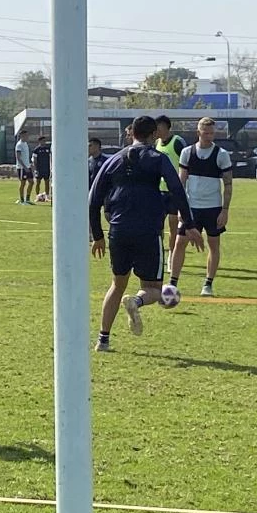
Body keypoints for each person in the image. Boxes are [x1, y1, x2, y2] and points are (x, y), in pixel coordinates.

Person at [89, 115, 203, 352]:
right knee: (152, 288)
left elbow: (93, 199)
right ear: (153, 135)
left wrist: (97, 235)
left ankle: (103, 340)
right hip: (148, 230)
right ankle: (136, 302)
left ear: (132, 134)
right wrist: (190, 224)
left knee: (117, 284)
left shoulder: (113, 161)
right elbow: (177, 189)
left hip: (118, 229)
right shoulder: (157, 158)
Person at [168, 118, 233, 297]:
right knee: (180, 242)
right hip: (191, 208)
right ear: (198, 133)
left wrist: (225, 210)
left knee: (213, 244)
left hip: (213, 208)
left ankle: (208, 284)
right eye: (205, 133)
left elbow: (228, 185)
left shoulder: (221, 154)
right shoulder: (187, 153)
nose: (209, 136)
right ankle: (172, 283)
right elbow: (181, 183)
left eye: (212, 133)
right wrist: (181, 209)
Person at [154, 116, 187, 267]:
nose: (156, 130)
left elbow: (186, 163)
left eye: (159, 127)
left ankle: (171, 256)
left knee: (173, 226)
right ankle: (158, 253)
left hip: (174, 191)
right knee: (157, 226)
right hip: (159, 191)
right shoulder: (157, 143)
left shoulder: (177, 142)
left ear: (166, 127)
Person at [15, 129, 34, 205]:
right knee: (23, 183)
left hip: (27, 166)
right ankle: (22, 200)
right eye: (26, 135)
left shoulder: (25, 143)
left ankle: (28, 199)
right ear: (22, 136)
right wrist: (24, 167)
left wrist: (30, 165)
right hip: (22, 168)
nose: (27, 137)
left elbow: (26, 156)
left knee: (31, 182)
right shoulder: (19, 145)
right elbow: (18, 157)